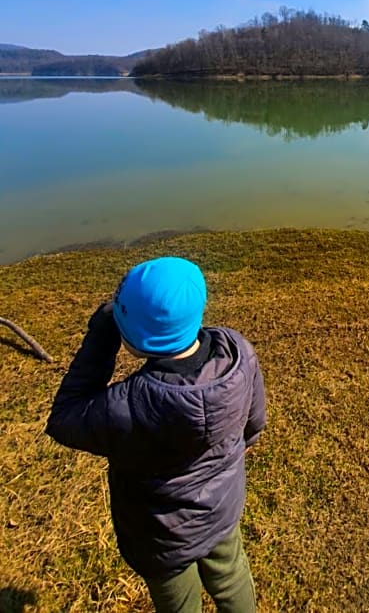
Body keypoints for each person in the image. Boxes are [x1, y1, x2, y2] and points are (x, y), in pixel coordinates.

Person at [46, 255, 266, 613]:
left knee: (177, 603)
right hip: (222, 507)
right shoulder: (237, 354)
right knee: (231, 578)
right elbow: (254, 425)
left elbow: (64, 419)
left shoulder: (127, 403)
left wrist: (101, 339)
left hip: (163, 535)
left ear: (134, 336)